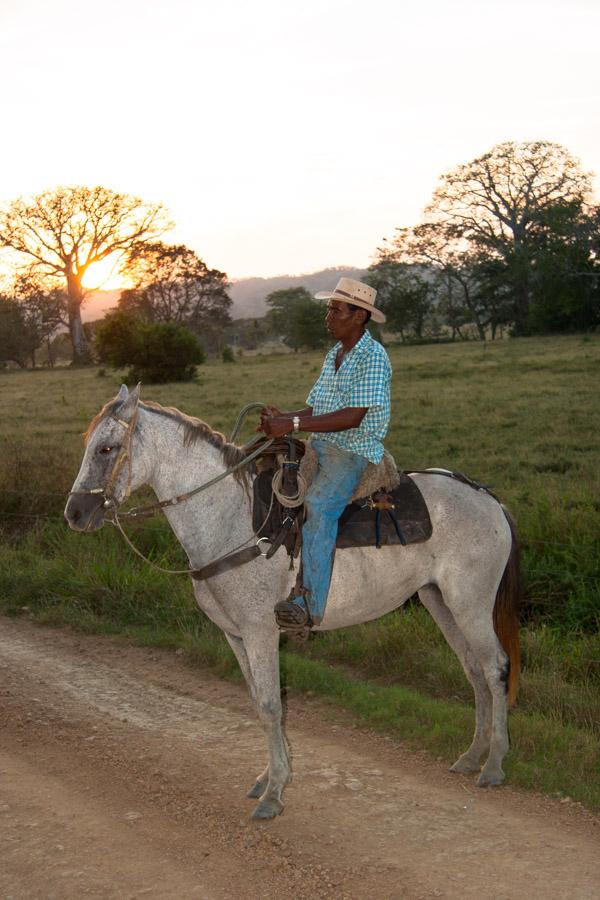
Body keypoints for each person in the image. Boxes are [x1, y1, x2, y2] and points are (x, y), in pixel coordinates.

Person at [258, 277, 392, 631]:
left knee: (318, 507)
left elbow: (353, 416)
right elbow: (315, 408)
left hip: (352, 448)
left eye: (336, 310)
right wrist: (280, 420)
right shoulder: (336, 353)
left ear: (360, 316)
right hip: (322, 443)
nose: (328, 317)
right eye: (329, 309)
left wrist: (294, 424)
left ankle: (309, 604)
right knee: (267, 480)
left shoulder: (373, 357)